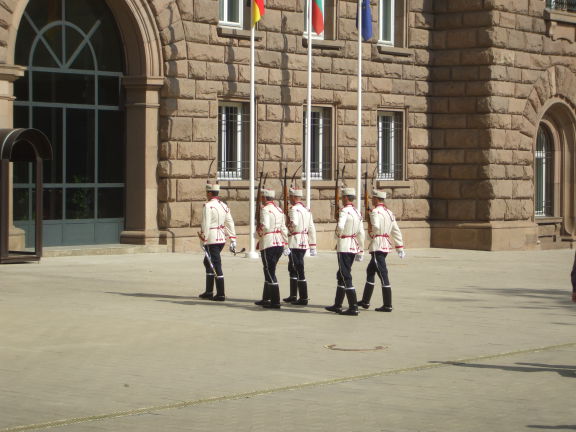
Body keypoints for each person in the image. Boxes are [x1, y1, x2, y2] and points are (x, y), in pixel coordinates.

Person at [357, 190, 405, 312]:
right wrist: (400, 247)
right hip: (385, 245)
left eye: (373, 198)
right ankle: (365, 301)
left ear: (376, 199)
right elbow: (396, 230)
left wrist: (371, 232)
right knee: (370, 271)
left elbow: (376, 227)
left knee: (383, 274)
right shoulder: (389, 213)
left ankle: (387, 304)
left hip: (378, 245)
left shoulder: (375, 212)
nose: (372, 200)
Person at [325, 187, 365, 316]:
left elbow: (340, 226)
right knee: (341, 274)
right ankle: (338, 304)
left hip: (344, 245)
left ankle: (353, 307)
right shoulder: (357, 212)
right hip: (354, 245)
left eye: (343, 197)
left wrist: (337, 237)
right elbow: (361, 233)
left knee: (345, 275)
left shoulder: (344, 211)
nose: (342, 199)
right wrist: (361, 250)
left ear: (346, 198)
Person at [198, 183, 237, 301]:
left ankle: (220, 293)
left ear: (210, 193)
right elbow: (230, 222)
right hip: (221, 238)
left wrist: (203, 238)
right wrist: (232, 238)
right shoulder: (224, 205)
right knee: (207, 262)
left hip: (212, 238)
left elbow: (206, 223)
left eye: (207, 192)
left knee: (215, 264)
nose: (206, 194)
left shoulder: (208, 206)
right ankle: (209, 291)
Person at [254, 188, 289, 309]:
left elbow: (265, 226)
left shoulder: (265, 209)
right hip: (279, 242)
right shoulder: (279, 210)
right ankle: (266, 298)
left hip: (268, 243)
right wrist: (286, 243)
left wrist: (257, 234)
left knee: (269, 271)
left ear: (264, 198)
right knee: (270, 270)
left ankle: (275, 301)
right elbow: (284, 228)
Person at [284, 187, 317, 305]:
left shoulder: (293, 209)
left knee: (298, 268)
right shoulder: (306, 210)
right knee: (293, 268)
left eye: (289, 197)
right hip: (304, 241)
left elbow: (294, 224)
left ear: (293, 197)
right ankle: (293, 295)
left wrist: (286, 232)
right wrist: (312, 244)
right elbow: (312, 227)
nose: (288, 198)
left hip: (295, 241)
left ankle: (303, 298)